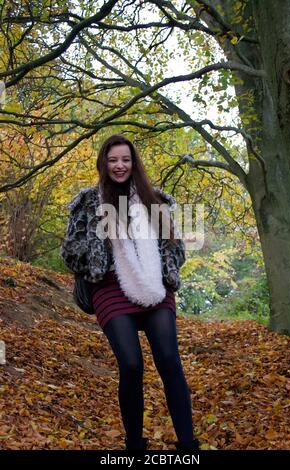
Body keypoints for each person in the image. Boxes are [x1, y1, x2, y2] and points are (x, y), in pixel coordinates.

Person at [61, 134, 199, 452]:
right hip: (110, 287)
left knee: (168, 359)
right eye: (112, 160)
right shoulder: (88, 203)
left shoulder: (156, 201)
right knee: (132, 365)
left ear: (134, 163)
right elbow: (69, 252)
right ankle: (134, 446)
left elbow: (174, 249)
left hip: (154, 286)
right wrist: (100, 243)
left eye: (125, 159)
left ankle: (189, 446)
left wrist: (167, 273)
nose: (119, 166)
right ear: (103, 164)